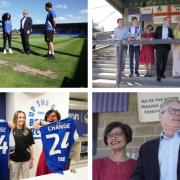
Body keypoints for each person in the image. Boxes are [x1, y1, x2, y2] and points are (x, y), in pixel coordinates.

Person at [132, 98, 180, 180]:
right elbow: (138, 175)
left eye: (179, 111)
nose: (178, 114)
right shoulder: (146, 148)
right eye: (173, 110)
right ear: (161, 116)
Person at [9, 111, 35, 180]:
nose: (22, 119)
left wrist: (32, 159)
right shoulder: (11, 130)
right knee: (14, 178)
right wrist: (8, 160)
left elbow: (30, 146)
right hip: (14, 160)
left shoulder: (28, 131)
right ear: (15, 119)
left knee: (26, 178)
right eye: (19, 117)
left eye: (23, 117)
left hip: (25, 160)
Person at [35, 109, 61, 176]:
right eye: (48, 116)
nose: (51, 117)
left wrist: (42, 122)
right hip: (45, 155)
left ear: (58, 118)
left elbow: (55, 125)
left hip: (57, 156)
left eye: (53, 116)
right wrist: (39, 122)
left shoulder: (61, 127)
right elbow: (35, 126)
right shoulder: (44, 128)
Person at [154, 17, 173, 82]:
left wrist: (170, 38)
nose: (169, 22)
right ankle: (158, 76)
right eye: (168, 21)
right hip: (159, 47)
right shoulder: (158, 28)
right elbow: (155, 36)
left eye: (169, 21)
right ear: (164, 21)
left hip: (166, 47)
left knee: (165, 62)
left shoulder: (170, 29)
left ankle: (162, 73)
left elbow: (172, 36)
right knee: (159, 62)